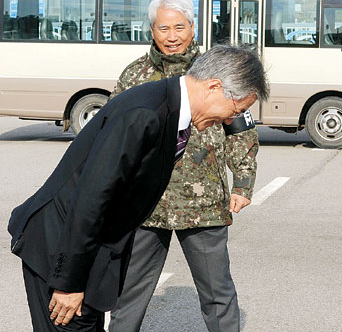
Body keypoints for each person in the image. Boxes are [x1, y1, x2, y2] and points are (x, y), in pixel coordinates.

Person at [8, 45, 269, 331]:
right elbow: (90, 198)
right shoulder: (146, 113)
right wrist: (69, 283)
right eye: (236, 109)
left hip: (87, 253)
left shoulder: (170, 108)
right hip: (59, 250)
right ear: (214, 87)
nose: (230, 120)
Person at [107, 0, 258, 332]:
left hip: (202, 204)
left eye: (179, 27)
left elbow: (240, 129)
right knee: (129, 294)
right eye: (163, 28)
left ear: (193, 27)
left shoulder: (218, 71)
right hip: (146, 205)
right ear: (151, 30)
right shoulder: (135, 75)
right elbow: (113, 136)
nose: (172, 35)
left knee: (217, 294)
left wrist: (244, 183)